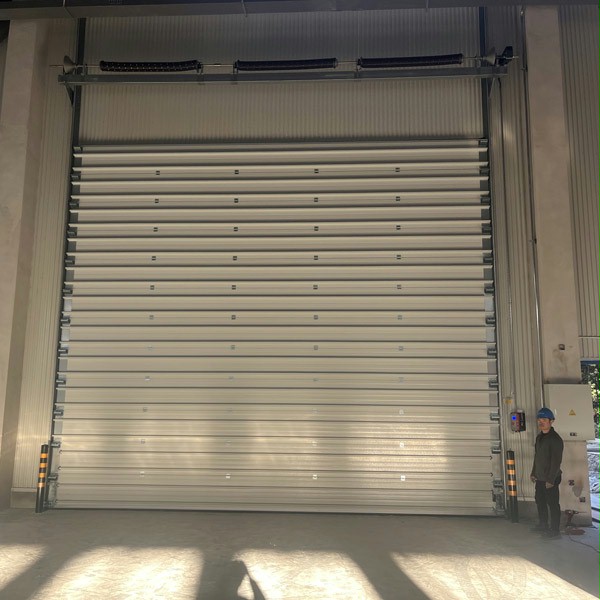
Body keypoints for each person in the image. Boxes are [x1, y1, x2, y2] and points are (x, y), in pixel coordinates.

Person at [530, 407, 564, 539]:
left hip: (551, 478)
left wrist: (551, 479)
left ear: (551, 421)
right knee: (540, 501)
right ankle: (543, 524)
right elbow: (537, 456)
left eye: (544, 419)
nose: (541, 422)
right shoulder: (539, 437)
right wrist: (534, 472)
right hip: (540, 477)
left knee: (553, 504)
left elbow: (556, 461)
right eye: (539, 419)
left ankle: (555, 531)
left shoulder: (555, 439)